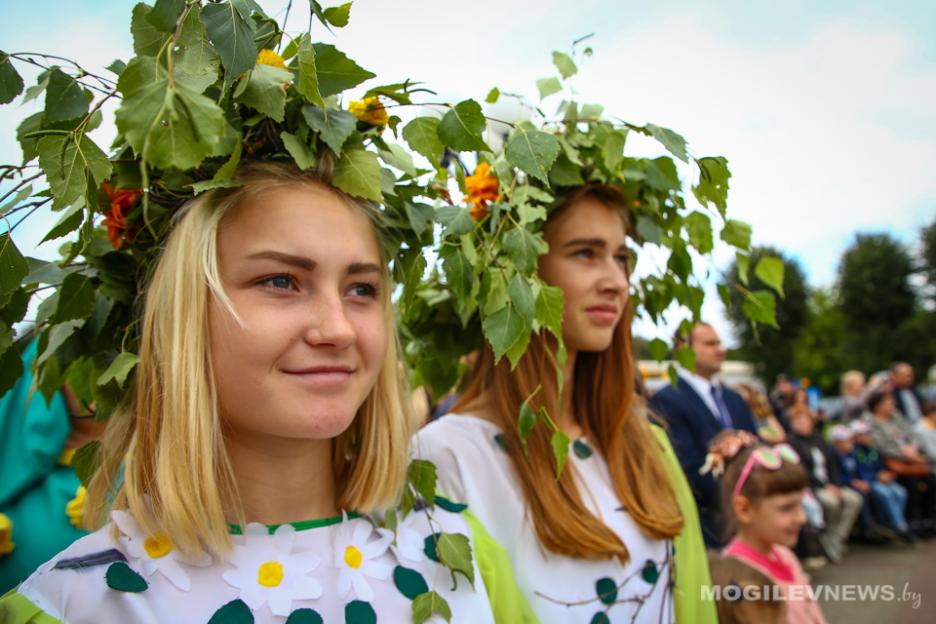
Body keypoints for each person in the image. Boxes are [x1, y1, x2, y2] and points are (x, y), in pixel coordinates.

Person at [0, 162, 526, 623]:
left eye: (361, 288)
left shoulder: (461, 556)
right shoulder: (77, 605)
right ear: (182, 315)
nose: (338, 329)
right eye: (281, 281)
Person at [414, 185, 716, 623]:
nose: (616, 281)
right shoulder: (447, 458)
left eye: (621, 258)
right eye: (585, 254)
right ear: (517, 271)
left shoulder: (647, 443)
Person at [649, 322, 759, 547]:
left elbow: (757, 448)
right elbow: (687, 467)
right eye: (710, 344)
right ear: (682, 348)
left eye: (720, 343)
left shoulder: (734, 399)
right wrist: (740, 500)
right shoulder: (666, 399)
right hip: (708, 526)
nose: (721, 350)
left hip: (752, 520)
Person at [718, 439, 826, 623]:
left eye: (800, 505)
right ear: (744, 509)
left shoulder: (784, 555)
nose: (802, 518)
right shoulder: (738, 578)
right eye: (786, 508)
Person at [788, 406, 862, 562]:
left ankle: (835, 538)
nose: (800, 423)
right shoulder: (792, 443)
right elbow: (802, 470)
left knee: (854, 500)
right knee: (831, 503)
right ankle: (828, 540)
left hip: (830, 484)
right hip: (813, 487)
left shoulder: (819, 439)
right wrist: (825, 486)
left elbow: (832, 464)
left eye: (803, 419)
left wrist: (835, 484)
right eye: (796, 420)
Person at [865, 389, 936, 537]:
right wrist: (903, 453)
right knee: (912, 485)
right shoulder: (869, 422)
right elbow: (880, 445)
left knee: (930, 481)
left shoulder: (896, 416)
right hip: (891, 463)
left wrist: (913, 448)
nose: (893, 404)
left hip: (912, 459)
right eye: (888, 401)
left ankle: (928, 520)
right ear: (878, 406)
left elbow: (912, 434)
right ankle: (911, 523)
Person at [848, 420, 913, 542]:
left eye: (868, 433)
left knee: (900, 492)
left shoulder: (872, 450)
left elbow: (881, 466)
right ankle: (898, 526)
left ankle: (896, 522)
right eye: (864, 434)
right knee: (885, 494)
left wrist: (886, 474)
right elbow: (858, 472)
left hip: (881, 480)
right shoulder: (854, 452)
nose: (867, 436)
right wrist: (875, 477)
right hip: (869, 482)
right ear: (856, 436)